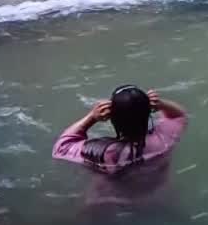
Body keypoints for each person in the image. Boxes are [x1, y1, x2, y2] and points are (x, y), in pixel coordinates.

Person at [52, 86, 188, 205]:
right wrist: (161, 104)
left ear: (112, 119)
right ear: (148, 113)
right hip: (156, 196)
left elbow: (61, 147)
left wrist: (91, 117)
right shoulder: (164, 138)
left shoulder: (106, 153)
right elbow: (178, 116)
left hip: (108, 203)